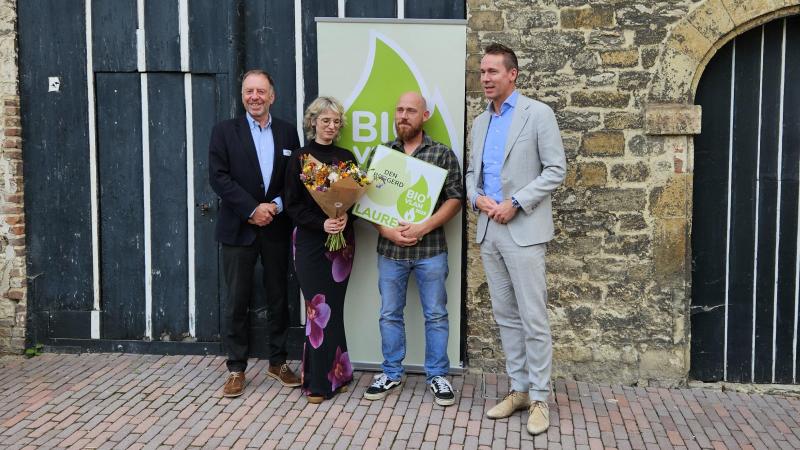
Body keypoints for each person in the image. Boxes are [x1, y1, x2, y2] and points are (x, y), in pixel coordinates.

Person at [465, 43, 566, 435]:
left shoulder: (538, 115)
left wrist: (517, 203)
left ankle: (541, 396)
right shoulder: (479, 122)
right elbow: (473, 173)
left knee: (533, 318)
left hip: (523, 231)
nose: (485, 79)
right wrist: (476, 198)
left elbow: (556, 169)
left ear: (513, 74)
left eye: (492, 72)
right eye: (482, 72)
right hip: (489, 230)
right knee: (506, 317)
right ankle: (519, 389)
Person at [363, 92, 463, 407]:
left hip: (431, 249)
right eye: (399, 109)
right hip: (390, 251)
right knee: (389, 314)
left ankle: (437, 376)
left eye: (411, 110)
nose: (404, 115)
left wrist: (424, 226)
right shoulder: (380, 155)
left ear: (425, 115)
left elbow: (456, 198)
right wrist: (386, 230)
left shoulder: (442, 154)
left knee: (436, 314)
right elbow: (366, 203)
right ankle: (391, 372)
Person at [209, 69, 302, 398]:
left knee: (279, 296)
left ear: (272, 96)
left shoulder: (288, 133)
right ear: (242, 95)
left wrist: (274, 206)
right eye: (249, 91)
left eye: (261, 91)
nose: (255, 97)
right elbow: (219, 178)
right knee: (237, 300)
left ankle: (278, 362)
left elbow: (295, 179)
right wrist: (252, 209)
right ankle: (236, 368)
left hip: (276, 227)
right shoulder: (224, 132)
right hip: (238, 228)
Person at [284, 96, 355, 404]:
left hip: (341, 245)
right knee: (317, 311)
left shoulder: (345, 156)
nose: (331, 126)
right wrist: (321, 223)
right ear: (313, 121)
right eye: (325, 120)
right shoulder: (301, 158)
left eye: (336, 121)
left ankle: (340, 373)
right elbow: (292, 205)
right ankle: (317, 383)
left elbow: (354, 198)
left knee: (335, 309)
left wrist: (344, 216)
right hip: (311, 243)